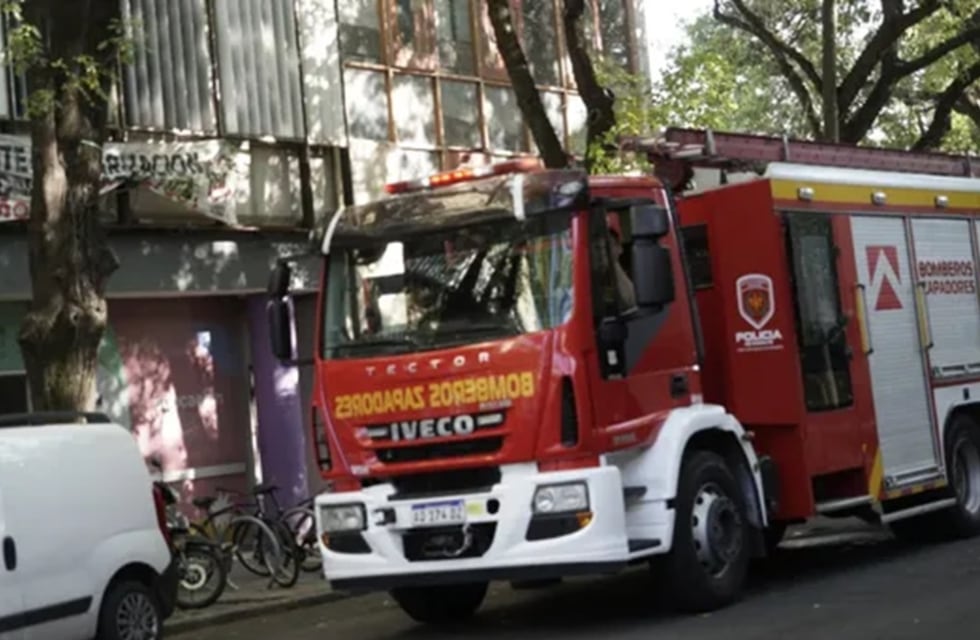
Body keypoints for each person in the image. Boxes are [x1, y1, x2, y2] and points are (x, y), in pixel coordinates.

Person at [607, 214, 636, 310]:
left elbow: (630, 301)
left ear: (620, 249)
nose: (604, 251)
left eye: (609, 246)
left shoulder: (636, 271)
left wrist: (612, 262)